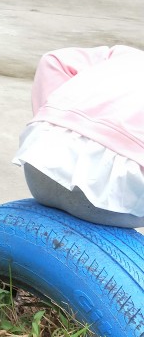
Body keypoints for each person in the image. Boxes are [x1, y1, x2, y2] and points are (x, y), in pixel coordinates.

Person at [14, 45, 144, 228]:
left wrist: (56, 117)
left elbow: (51, 60)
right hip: (114, 202)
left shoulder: (122, 55)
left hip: (39, 171)